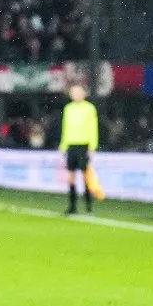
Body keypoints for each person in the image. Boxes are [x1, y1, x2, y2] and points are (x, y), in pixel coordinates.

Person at [58, 84, 98, 214]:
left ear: (84, 94)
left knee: (85, 176)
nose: (76, 95)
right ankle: (72, 207)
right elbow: (66, 128)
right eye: (73, 92)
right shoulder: (68, 108)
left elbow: (93, 128)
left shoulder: (89, 108)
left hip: (83, 145)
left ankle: (88, 206)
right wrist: (63, 145)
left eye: (78, 92)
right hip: (71, 146)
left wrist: (92, 146)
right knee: (71, 177)